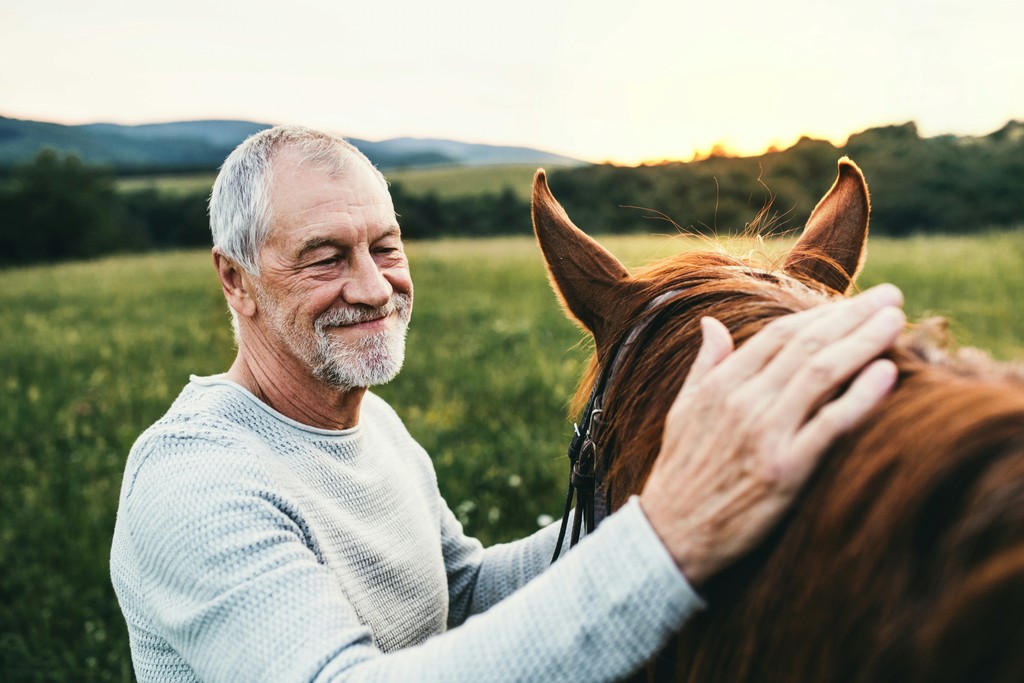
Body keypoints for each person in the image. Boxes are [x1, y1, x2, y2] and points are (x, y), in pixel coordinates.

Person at [110, 126, 905, 682]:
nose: (371, 285)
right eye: (324, 258)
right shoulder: (198, 486)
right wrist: (666, 537)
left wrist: (637, 496)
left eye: (384, 247)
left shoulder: (369, 425)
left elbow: (459, 596)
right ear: (234, 279)